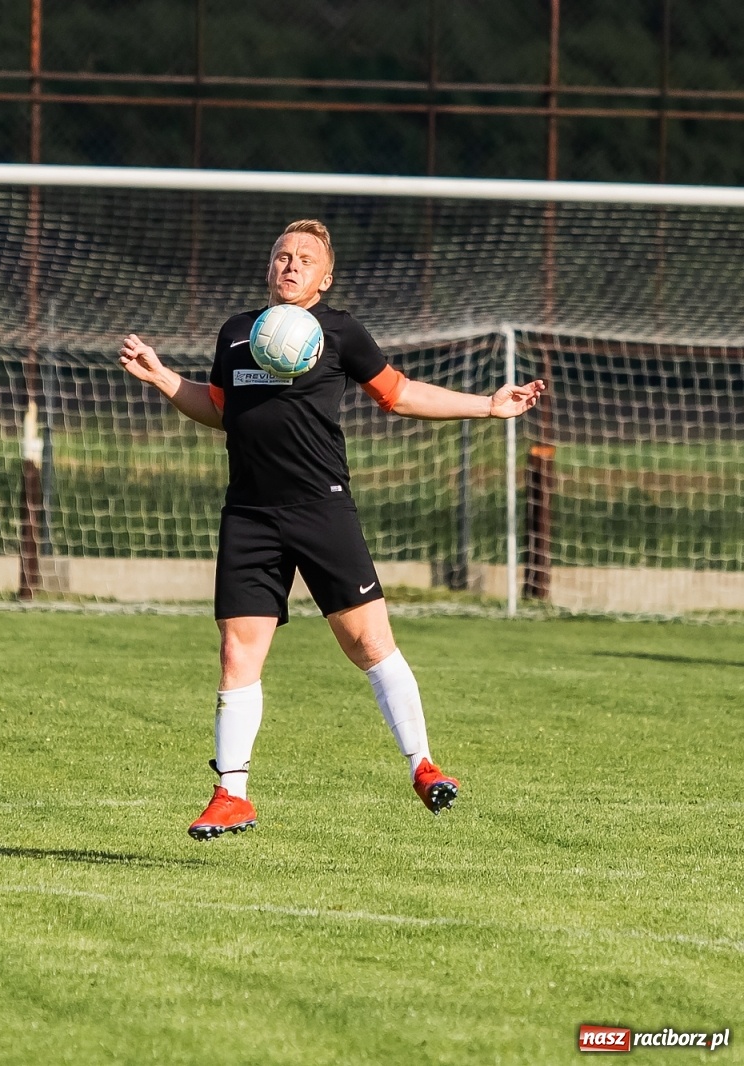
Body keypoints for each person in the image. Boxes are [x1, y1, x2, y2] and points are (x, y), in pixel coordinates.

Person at [118, 219, 545, 840]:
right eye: (281, 256)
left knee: (368, 645)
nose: (290, 265)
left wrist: (488, 405)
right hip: (250, 513)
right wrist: (163, 379)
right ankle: (231, 794)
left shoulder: (341, 332)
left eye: (304, 259)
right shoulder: (238, 333)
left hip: (322, 508)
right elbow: (219, 410)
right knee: (238, 653)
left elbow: (398, 394)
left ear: (325, 277)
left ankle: (422, 765)